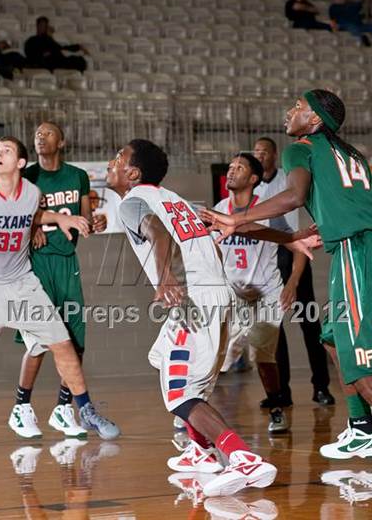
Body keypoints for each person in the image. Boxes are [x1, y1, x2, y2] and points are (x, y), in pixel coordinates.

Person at [107, 139, 319, 496]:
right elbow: (235, 226)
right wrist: (290, 239)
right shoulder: (177, 201)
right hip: (220, 297)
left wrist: (164, 278)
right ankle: (202, 451)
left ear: (133, 173)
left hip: (195, 301)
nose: (112, 163)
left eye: (118, 158)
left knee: (179, 395)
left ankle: (241, 457)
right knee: (165, 360)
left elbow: (156, 234)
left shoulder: (133, 201)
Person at [201, 89, 372, 460]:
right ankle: (361, 429)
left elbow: (295, 196)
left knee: (361, 365)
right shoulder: (351, 153)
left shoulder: (300, 148)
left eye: (299, 107)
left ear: (316, 120)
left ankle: (368, 426)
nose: (290, 112)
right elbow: (356, 203)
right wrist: (329, 225)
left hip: (357, 252)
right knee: (333, 339)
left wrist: (238, 218)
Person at [0, 135, 120, 441]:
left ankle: (85, 409)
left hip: (21, 283)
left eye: (7, 150)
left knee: (62, 343)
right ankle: (27, 409)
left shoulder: (31, 192)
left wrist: (58, 220)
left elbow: (34, 214)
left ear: (21, 163)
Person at [9, 122, 108, 439]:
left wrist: (97, 222)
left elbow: (85, 221)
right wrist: (33, 224)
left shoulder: (77, 176)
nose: (40, 136)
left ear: (62, 141)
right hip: (35, 264)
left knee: (75, 343)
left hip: (67, 263)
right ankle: (21, 407)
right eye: (36, 133)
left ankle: (63, 409)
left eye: (48, 132)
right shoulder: (27, 177)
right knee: (39, 342)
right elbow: (14, 215)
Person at [213, 152, 308, 434]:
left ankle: (277, 408)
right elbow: (215, 251)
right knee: (217, 356)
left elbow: (297, 245)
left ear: (253, 179)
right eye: (230, 167)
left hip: (267, 293)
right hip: (236, 294)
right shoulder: (219, 208)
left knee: (263, 357)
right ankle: (193, 413)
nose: (231, 171)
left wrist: (292, 283)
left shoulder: (268, 212)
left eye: (239, 168)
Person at [253, 136, 335, 407]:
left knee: (309, 324)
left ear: (275, 155)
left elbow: (295, 239)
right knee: (274, 330)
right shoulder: (251, 191)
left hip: (294, 252)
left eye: (264, 151)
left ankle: (321, 386)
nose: (260, 155)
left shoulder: (288, 181)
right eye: (256, 152)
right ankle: (281, 393)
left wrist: (294, 279)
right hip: (268, 259)